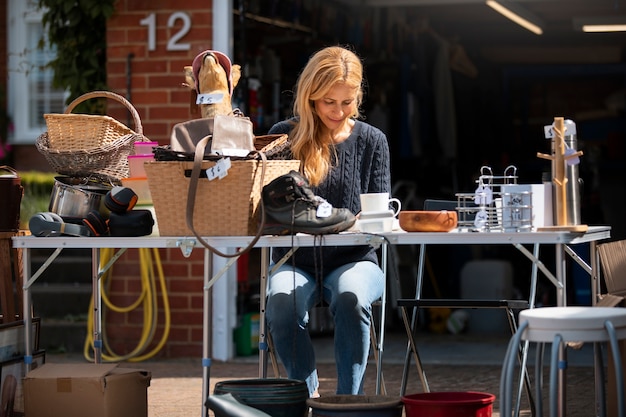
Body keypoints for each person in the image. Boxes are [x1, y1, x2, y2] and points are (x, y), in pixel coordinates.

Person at [264, 46, 392, 397]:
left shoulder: (372, 141)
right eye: (328, 102)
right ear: (310, 98)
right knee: (280, 304)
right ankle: (306, 399)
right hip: (294, 259)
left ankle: (348, 403)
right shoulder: (283, 137)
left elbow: (379, 216)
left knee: (351, 297)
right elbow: (272, 210)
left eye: (347, 102)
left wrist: (365, 221)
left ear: (358, 97)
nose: (338, 111)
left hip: (355, 259)